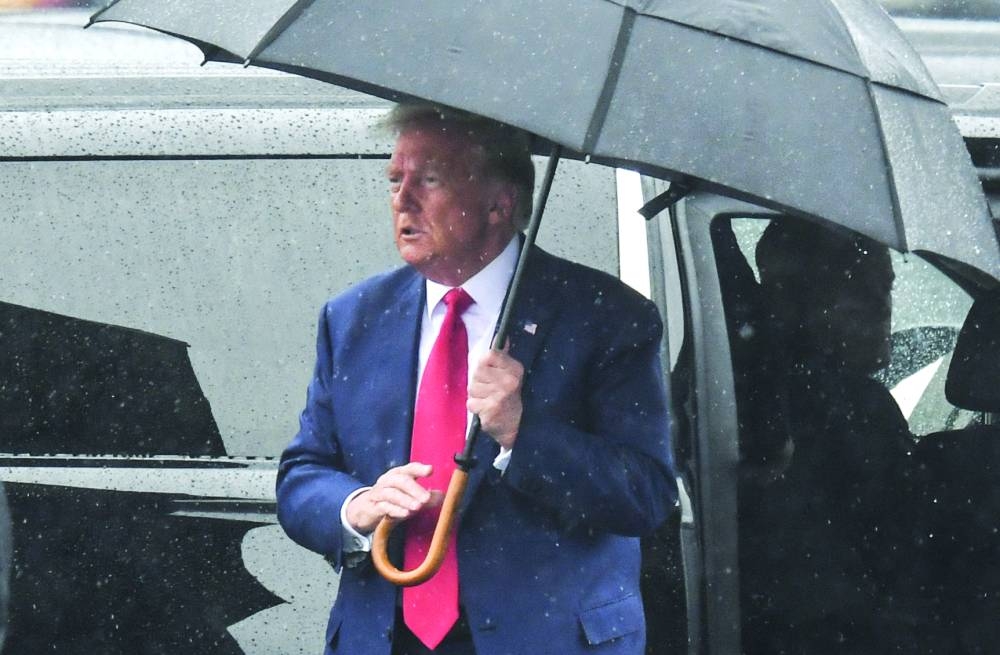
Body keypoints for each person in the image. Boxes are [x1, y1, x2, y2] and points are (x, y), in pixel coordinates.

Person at [276, 103, 677, 655]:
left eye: (429, 180)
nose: (402, 199)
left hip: (543, 640)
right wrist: (356, 505)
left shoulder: (606, 317)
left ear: (499, 204)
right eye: (395, 180)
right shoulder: (354, 318)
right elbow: (303, 473)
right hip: (386, 638)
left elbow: (646, 494)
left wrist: (521, 433)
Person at [738, 219, 917, 654]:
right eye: (857, 287)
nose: (881, 305)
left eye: (886, 286)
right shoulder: (848, 407)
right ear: (796, 299)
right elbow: (908, 542)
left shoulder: (740, 379)